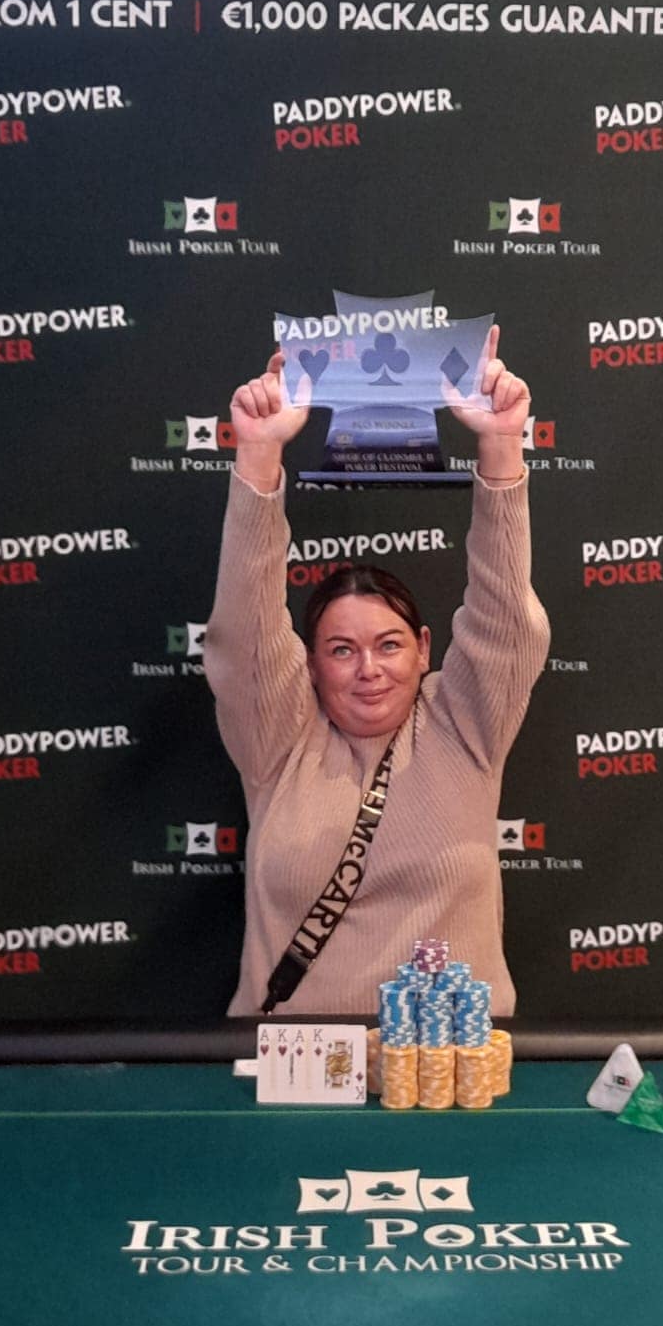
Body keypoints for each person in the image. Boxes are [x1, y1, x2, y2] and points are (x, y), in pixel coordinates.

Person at [204, 327, 550, 1016]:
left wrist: (501, 444)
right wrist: (260, 453)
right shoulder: (278, 740)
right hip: (295, 1062)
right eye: (341, 650)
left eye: (389, 645)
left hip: (447, 1063)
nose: (369, 669)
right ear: (309, 664)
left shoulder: (464, 725)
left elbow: (506, 619)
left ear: (424, 649)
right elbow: (244, 632)